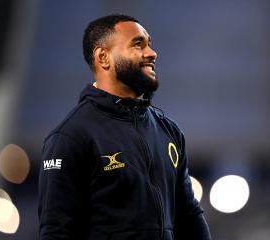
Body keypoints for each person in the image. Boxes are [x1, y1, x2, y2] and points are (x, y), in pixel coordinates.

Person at [38, 14, 211, 240]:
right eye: (138, 44)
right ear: (103, 57)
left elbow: (189, 215)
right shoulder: (71, 137)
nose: (151, 53)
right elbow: (56, 232)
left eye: (149, 44)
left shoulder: (168, 131)